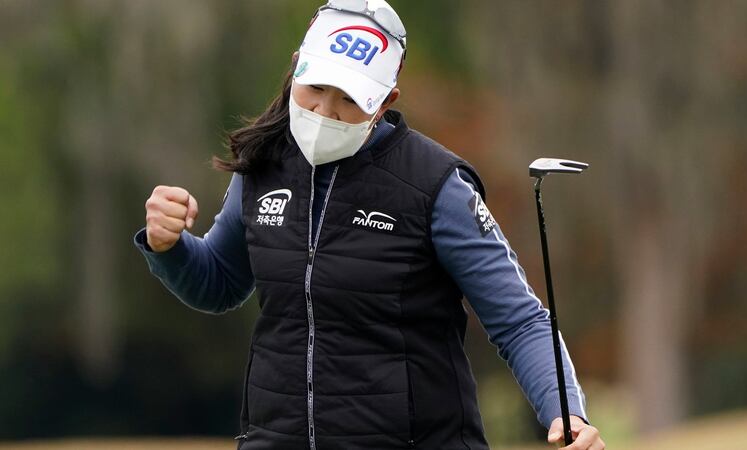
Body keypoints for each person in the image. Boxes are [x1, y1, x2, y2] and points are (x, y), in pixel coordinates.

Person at [133, 1, 605, 449]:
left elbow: (519, 320)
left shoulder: (436, 185)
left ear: (385, 101)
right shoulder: (265, 163)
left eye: (348, 99)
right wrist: (169, 246)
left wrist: (564, 410)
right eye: (315, 87)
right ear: (296, 65)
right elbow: (218, 283)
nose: (324, 111)